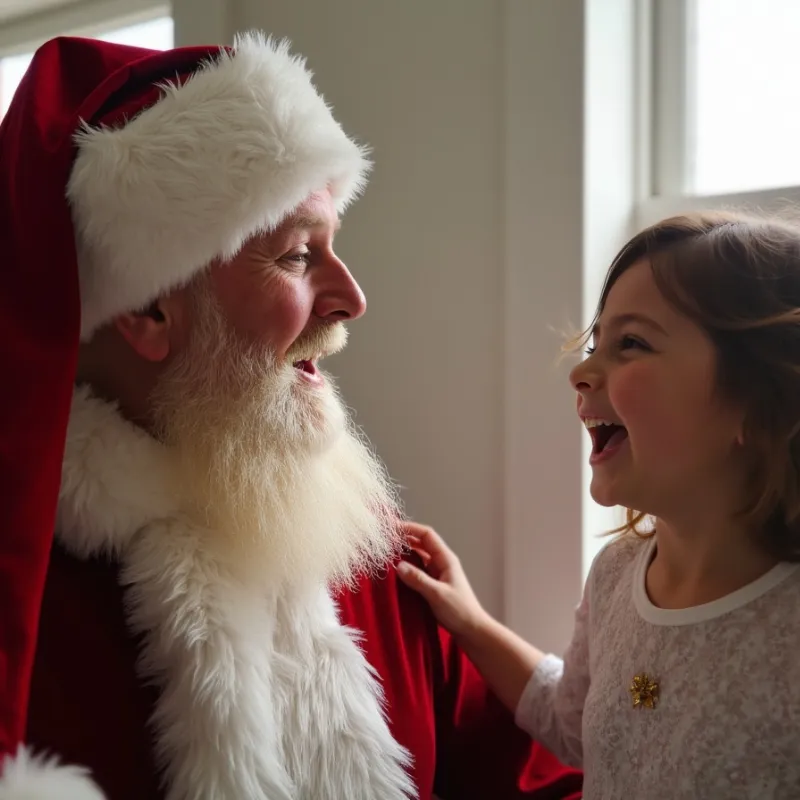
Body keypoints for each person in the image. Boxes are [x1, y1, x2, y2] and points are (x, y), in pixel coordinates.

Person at [0, 32, 582, 800]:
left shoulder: (369, 550)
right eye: (298, 256)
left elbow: (532, 779)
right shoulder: (31, 593)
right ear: (147, 307)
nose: (352, 298)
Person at [399, 211, 800, 798]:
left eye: (631, 343)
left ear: (758, 399)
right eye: (594, 344)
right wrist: (471, 623)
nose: (581, 371)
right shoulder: (615, 577)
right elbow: (573, 723)